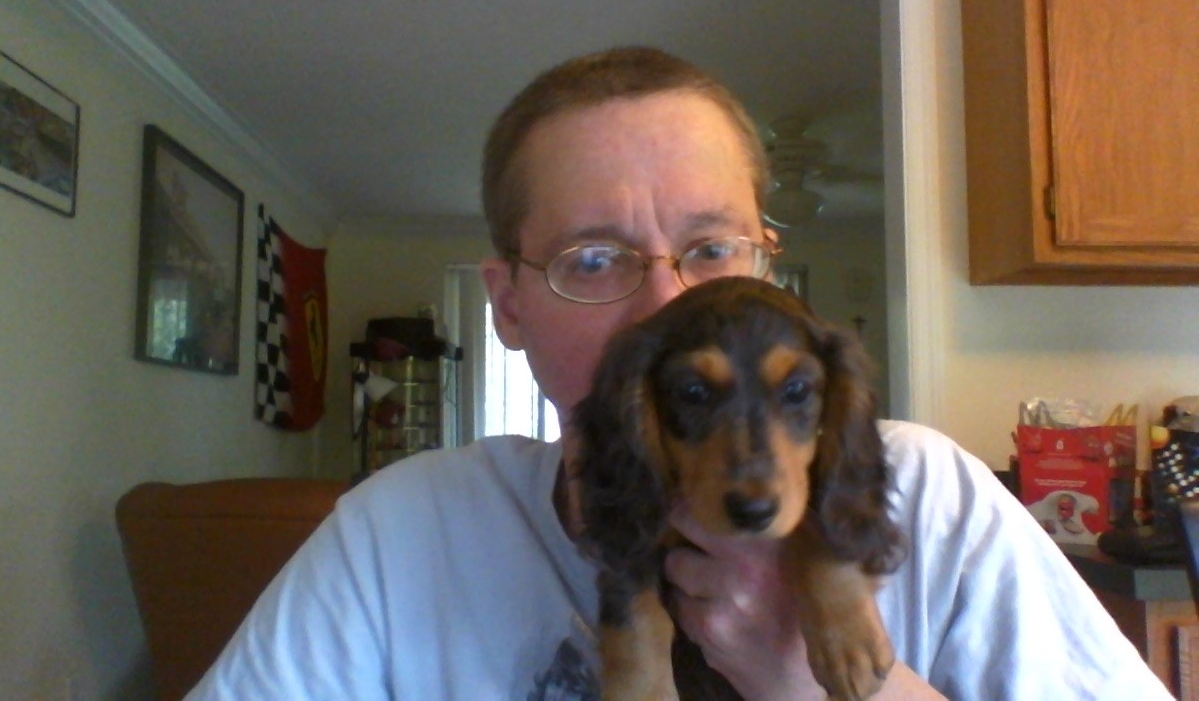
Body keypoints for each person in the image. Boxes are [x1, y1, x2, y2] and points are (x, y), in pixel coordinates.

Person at [186, 47, 1170, 700]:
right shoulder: (399, 532)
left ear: (767, 273)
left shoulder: (939, 504)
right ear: (506, 303)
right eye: (592, 260)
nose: (667, 310)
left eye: (710, 248)